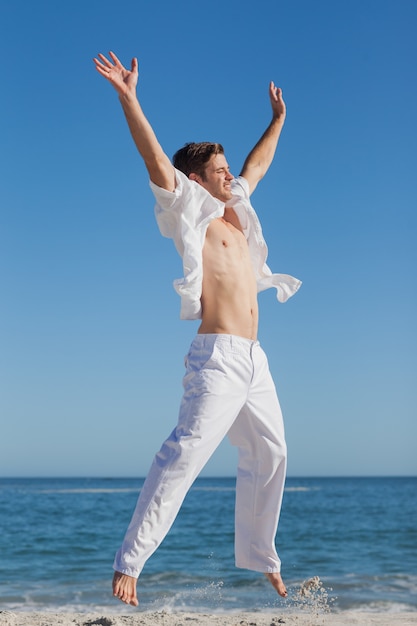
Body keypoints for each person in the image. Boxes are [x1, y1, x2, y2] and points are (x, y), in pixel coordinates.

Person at [93, 50, 301, 607]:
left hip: (255, 361)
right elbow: (155, 158)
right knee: (183, 455)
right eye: (218, 170)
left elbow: (256, 166)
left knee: (273, 452)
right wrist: (129, 98)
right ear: (195, 179)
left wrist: (277, 121)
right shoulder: (188, 207)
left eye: (227, 168)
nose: (229, 175)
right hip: (217, 358)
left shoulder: (237, 205)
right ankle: (129, 563)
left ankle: (263, 559)